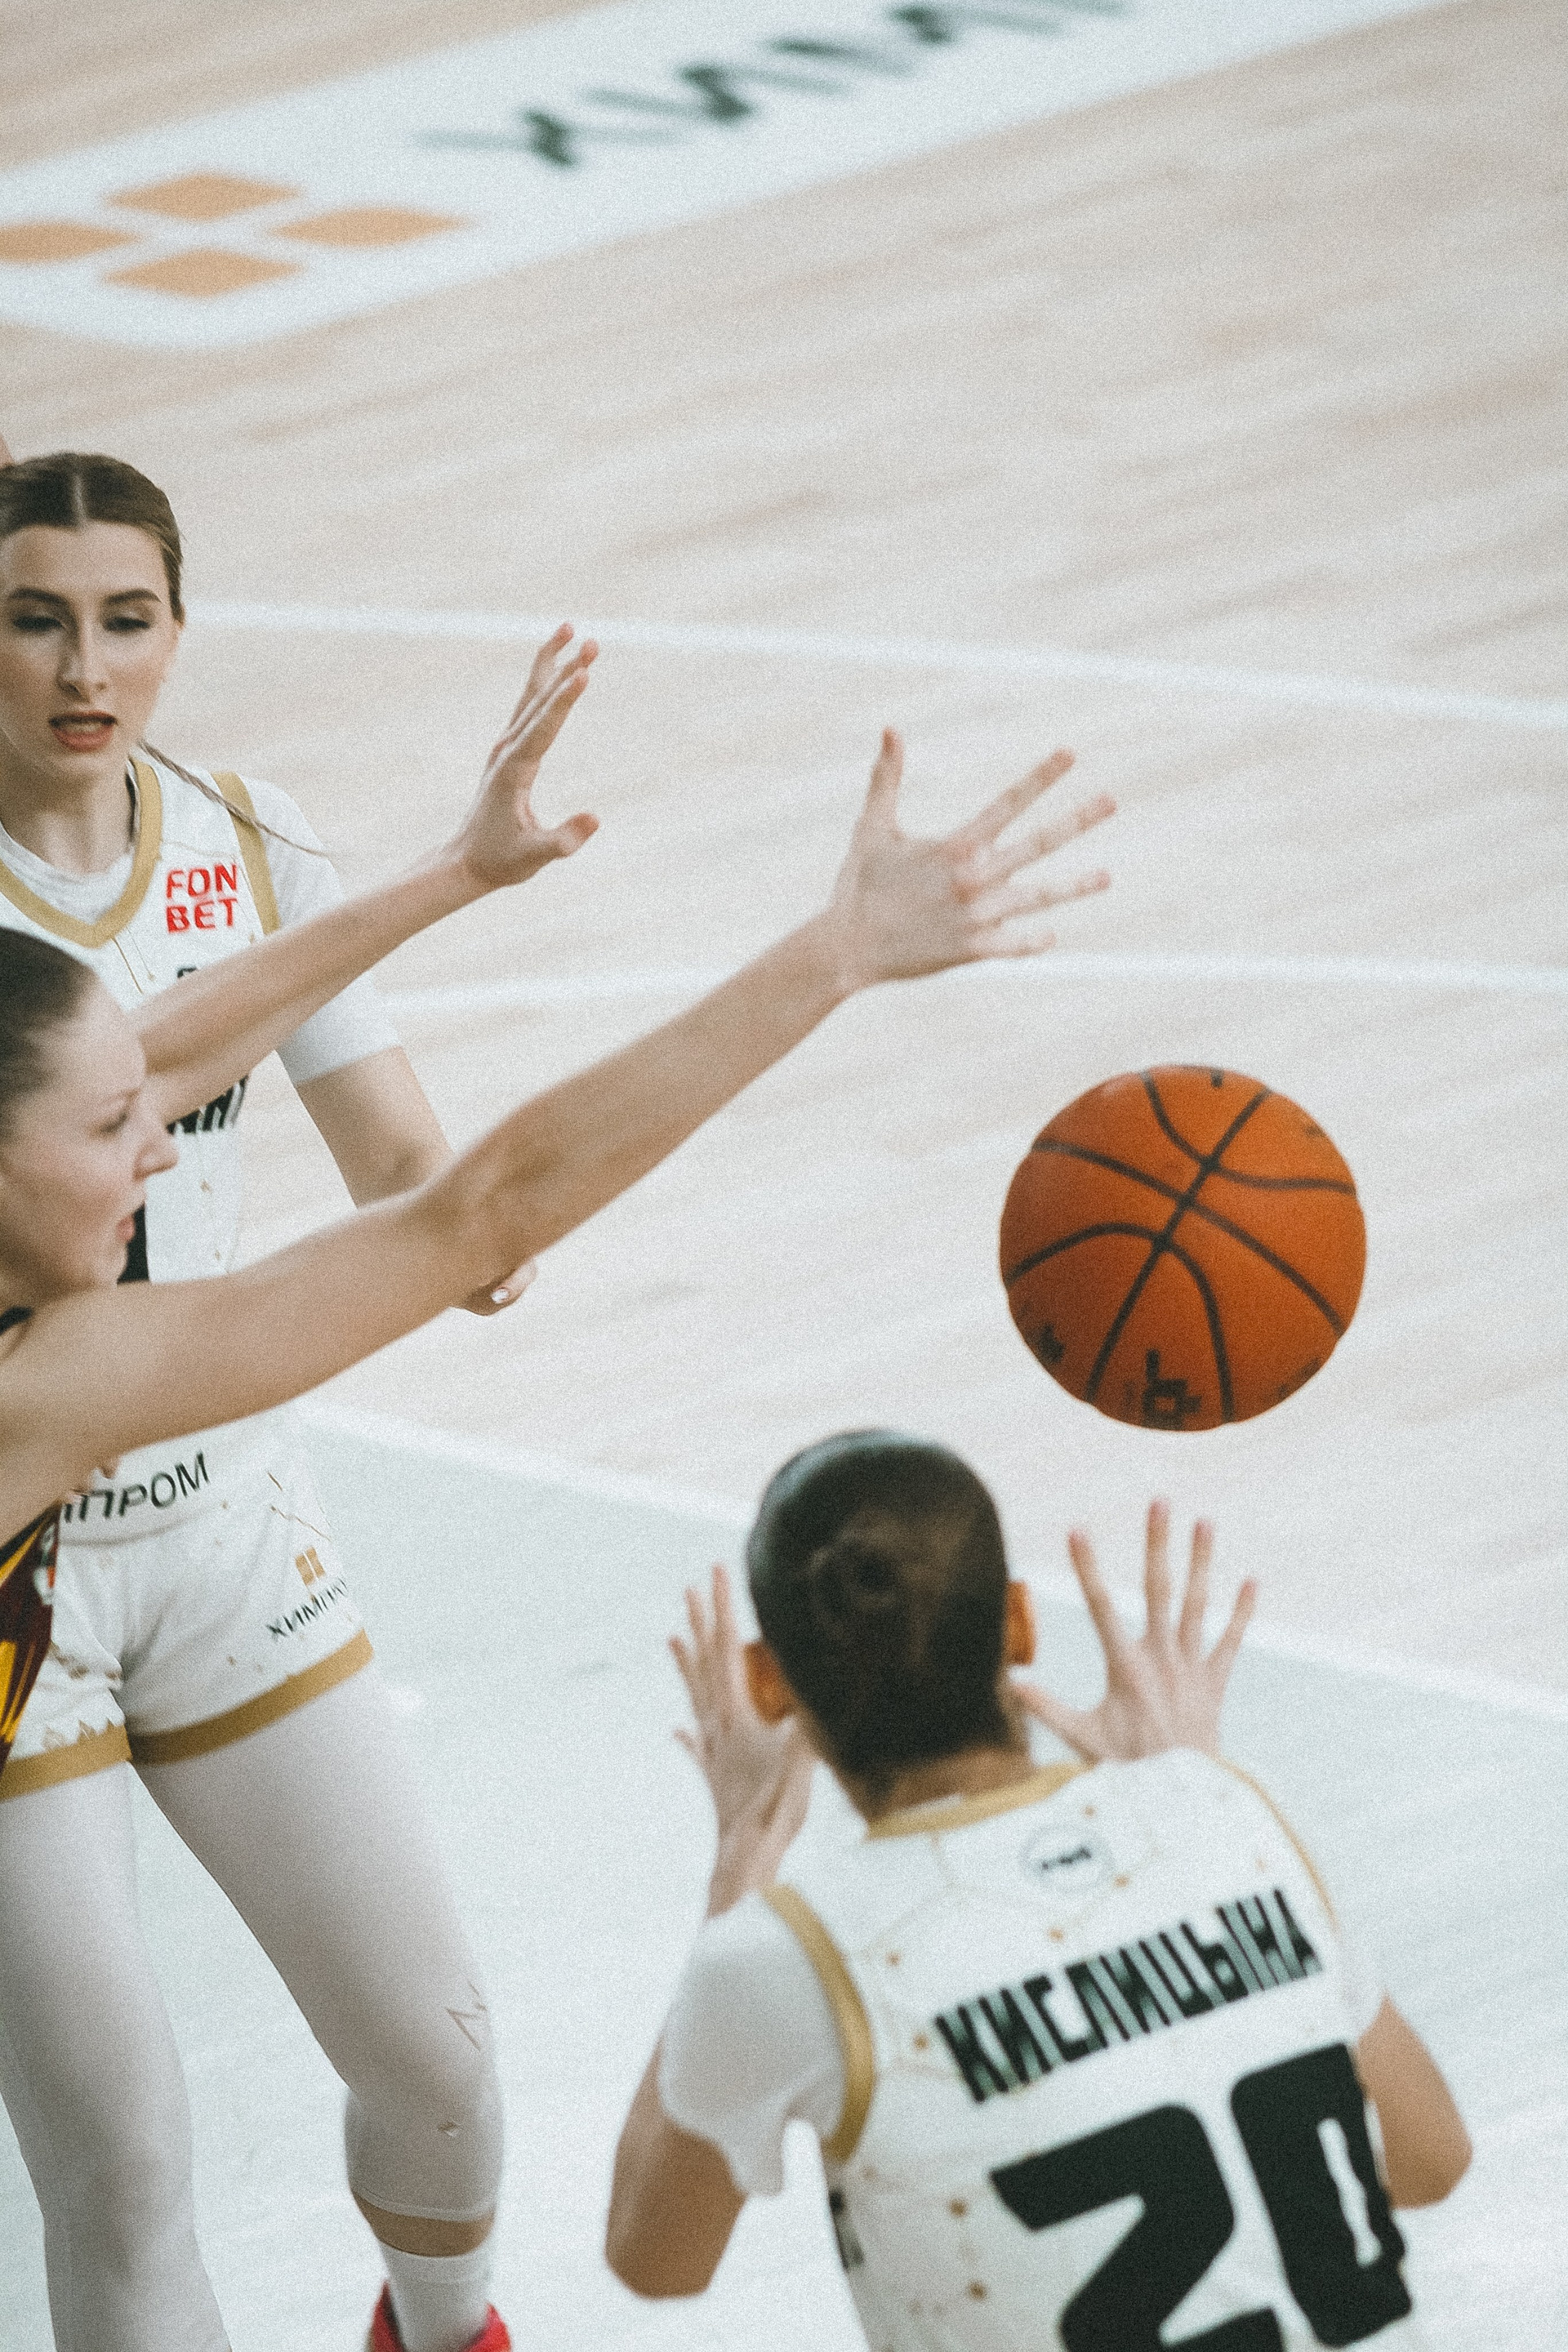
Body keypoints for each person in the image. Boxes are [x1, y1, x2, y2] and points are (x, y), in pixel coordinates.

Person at [0, 645, 1113, 2352]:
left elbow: (184, 1058)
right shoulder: (48, 1388)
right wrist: (826, 957)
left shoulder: (61, 1345)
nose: (161, 1151)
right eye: (112, 1131)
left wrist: (456, 876)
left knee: (386, 2062)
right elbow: (485, 1208)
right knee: (123, 2158)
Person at [0, 444, 581, 2352]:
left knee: (440, 2056)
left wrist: (466, 1231)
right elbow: (156, 1050)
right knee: (121, 2162)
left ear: (181, 629)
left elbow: (406, 1166)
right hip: (18, 1567)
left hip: (227, 1527)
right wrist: (450, 882)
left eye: (126, 619)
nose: (84, 666)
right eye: (33, 620)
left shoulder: (249, 841)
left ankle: (444, 2327)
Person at [606, 1433, 1472, 2348]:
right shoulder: (1230, 1812)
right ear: (1020, 1625)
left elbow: (653, 2258)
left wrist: (740, 1861)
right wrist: (1189, 1797)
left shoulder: (784, 1957)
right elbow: (1431, 2157)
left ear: (768, 1685)